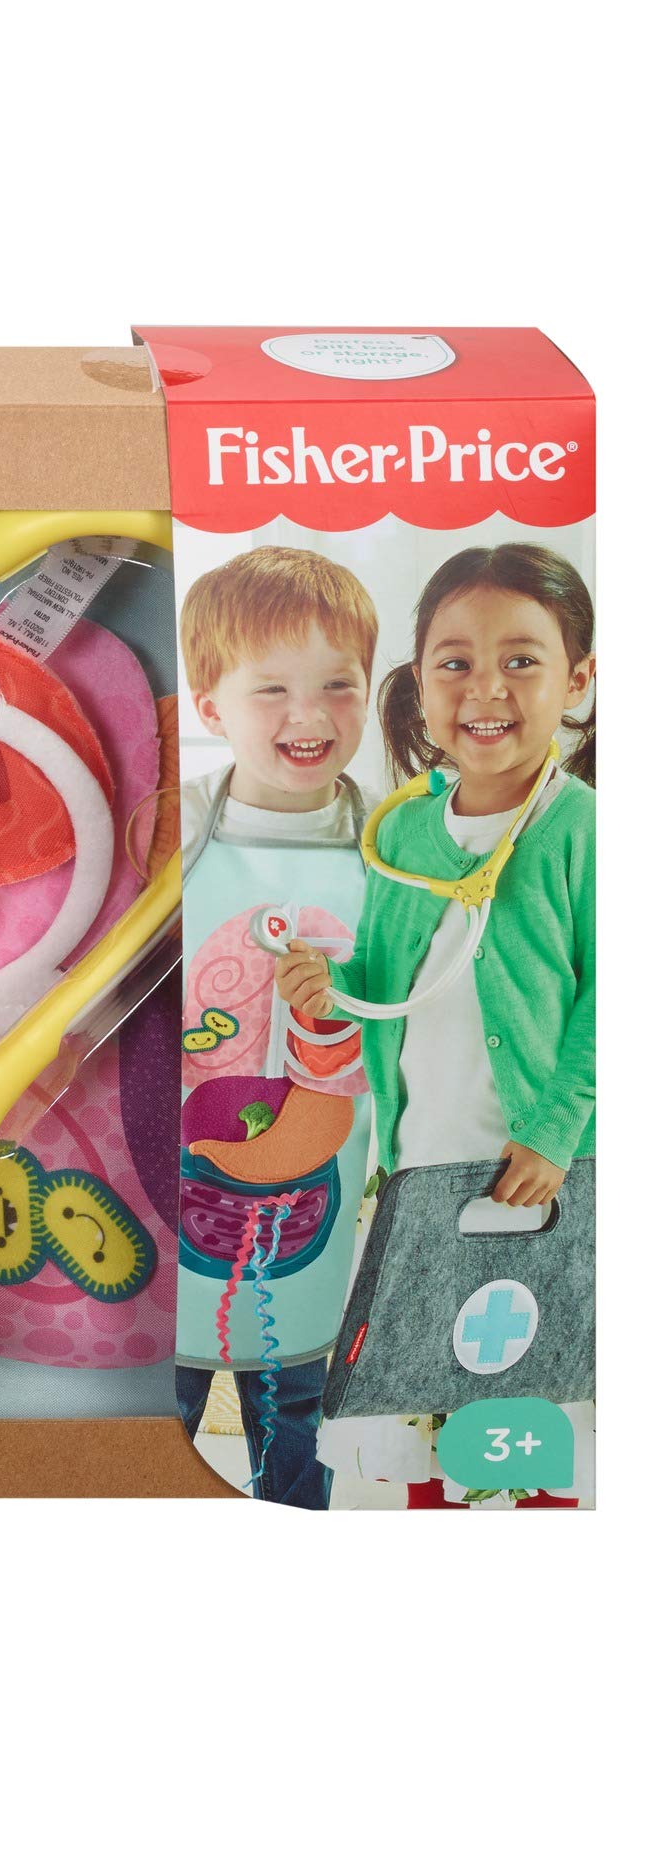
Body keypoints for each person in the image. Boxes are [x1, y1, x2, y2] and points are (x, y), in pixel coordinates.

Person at [277, 543, 596, 1506]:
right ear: (420, 684)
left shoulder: (585, 830)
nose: (485, 688)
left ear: (578, 680)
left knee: (531, 1379)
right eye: (455, 662)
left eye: (521, 660)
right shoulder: (404, 829)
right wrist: (330, 987)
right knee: (415, 1384)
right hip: (420, 1160)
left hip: (533, 1166)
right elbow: (390, 977)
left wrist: (554, 1131)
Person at [175, 547, 379, 1506]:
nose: (311, 715)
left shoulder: (395, 854)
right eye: (272, 690)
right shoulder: (167, 836)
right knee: (163, 1412)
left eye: (339, 684)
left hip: (322, 1197)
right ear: (211, 706)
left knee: (296, 1413)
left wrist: (336, 1014)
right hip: (179, 1178)